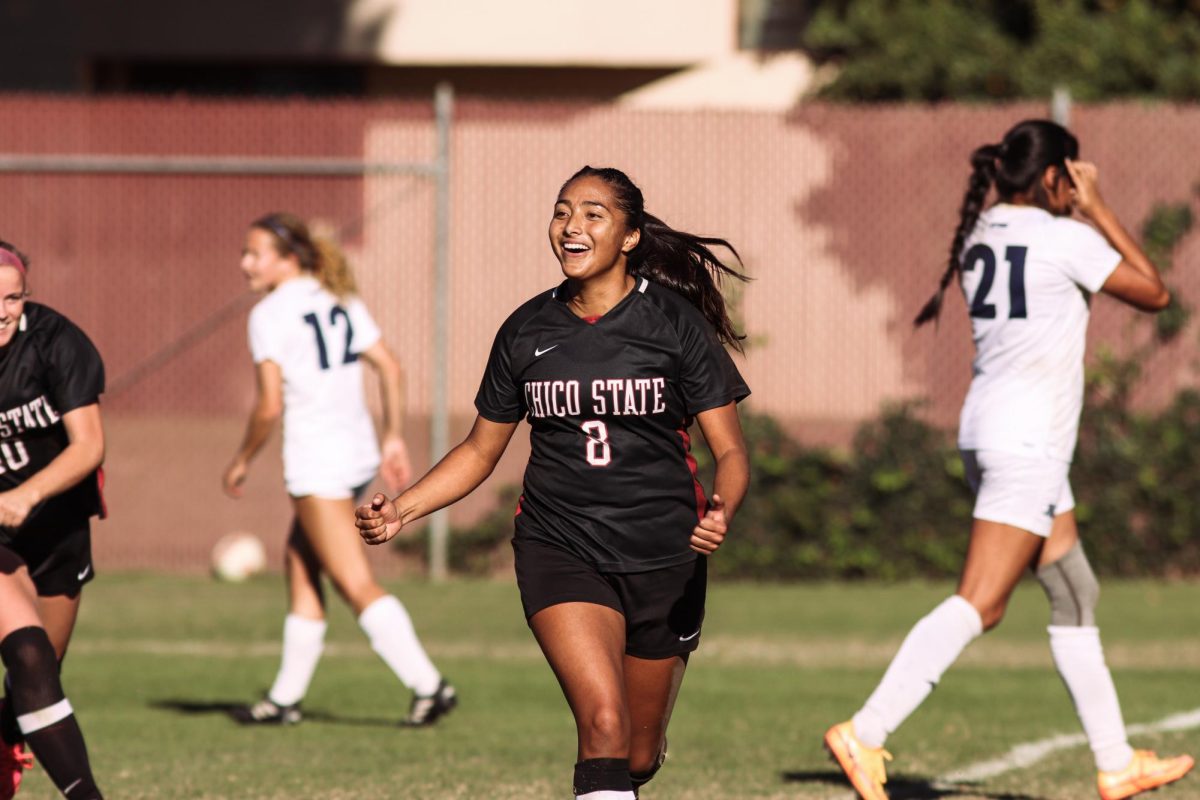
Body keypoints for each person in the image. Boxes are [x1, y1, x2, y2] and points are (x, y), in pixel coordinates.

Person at [824, 120, 1194, 800]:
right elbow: (1156, 293)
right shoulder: (1065, 234)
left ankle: (1116, 763)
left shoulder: (981, 231)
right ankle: (865, 732)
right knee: (981, 604)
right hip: (1027, 443)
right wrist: (1097, 207)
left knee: (1074, 590)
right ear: (1055, 176)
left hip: (995, 432)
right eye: (1072, 174)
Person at [355, 166, 751, 799]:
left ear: (629, 236)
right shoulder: (526, 330)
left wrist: (724, 506)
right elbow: (482, 451)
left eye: (594, 214)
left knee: (638, 756)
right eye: (563, 210)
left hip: (663, 557)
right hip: (560, 546)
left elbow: (729, 450)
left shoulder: (674, 324)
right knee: (603, 725)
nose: (572, 225)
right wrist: (403, 510)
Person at [222, 213, 455, 727]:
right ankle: (284, 699)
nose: (245, 264)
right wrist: (393, 434)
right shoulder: (338, 295)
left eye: (254, 253)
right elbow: (390, 367)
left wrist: (240, 460)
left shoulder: (270, 313)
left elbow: (267, 407)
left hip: (318, 460)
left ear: (289, 259)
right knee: (301, 564)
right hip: (354, 452)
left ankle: (429, 685)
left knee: (353, 582)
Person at [0, 239, 105, 799]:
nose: (0, 311)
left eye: (12, 298)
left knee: (36, 681)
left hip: (56, 527)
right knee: (29, 652)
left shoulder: (55, 342)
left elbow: (89, 446)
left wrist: (30, 494)